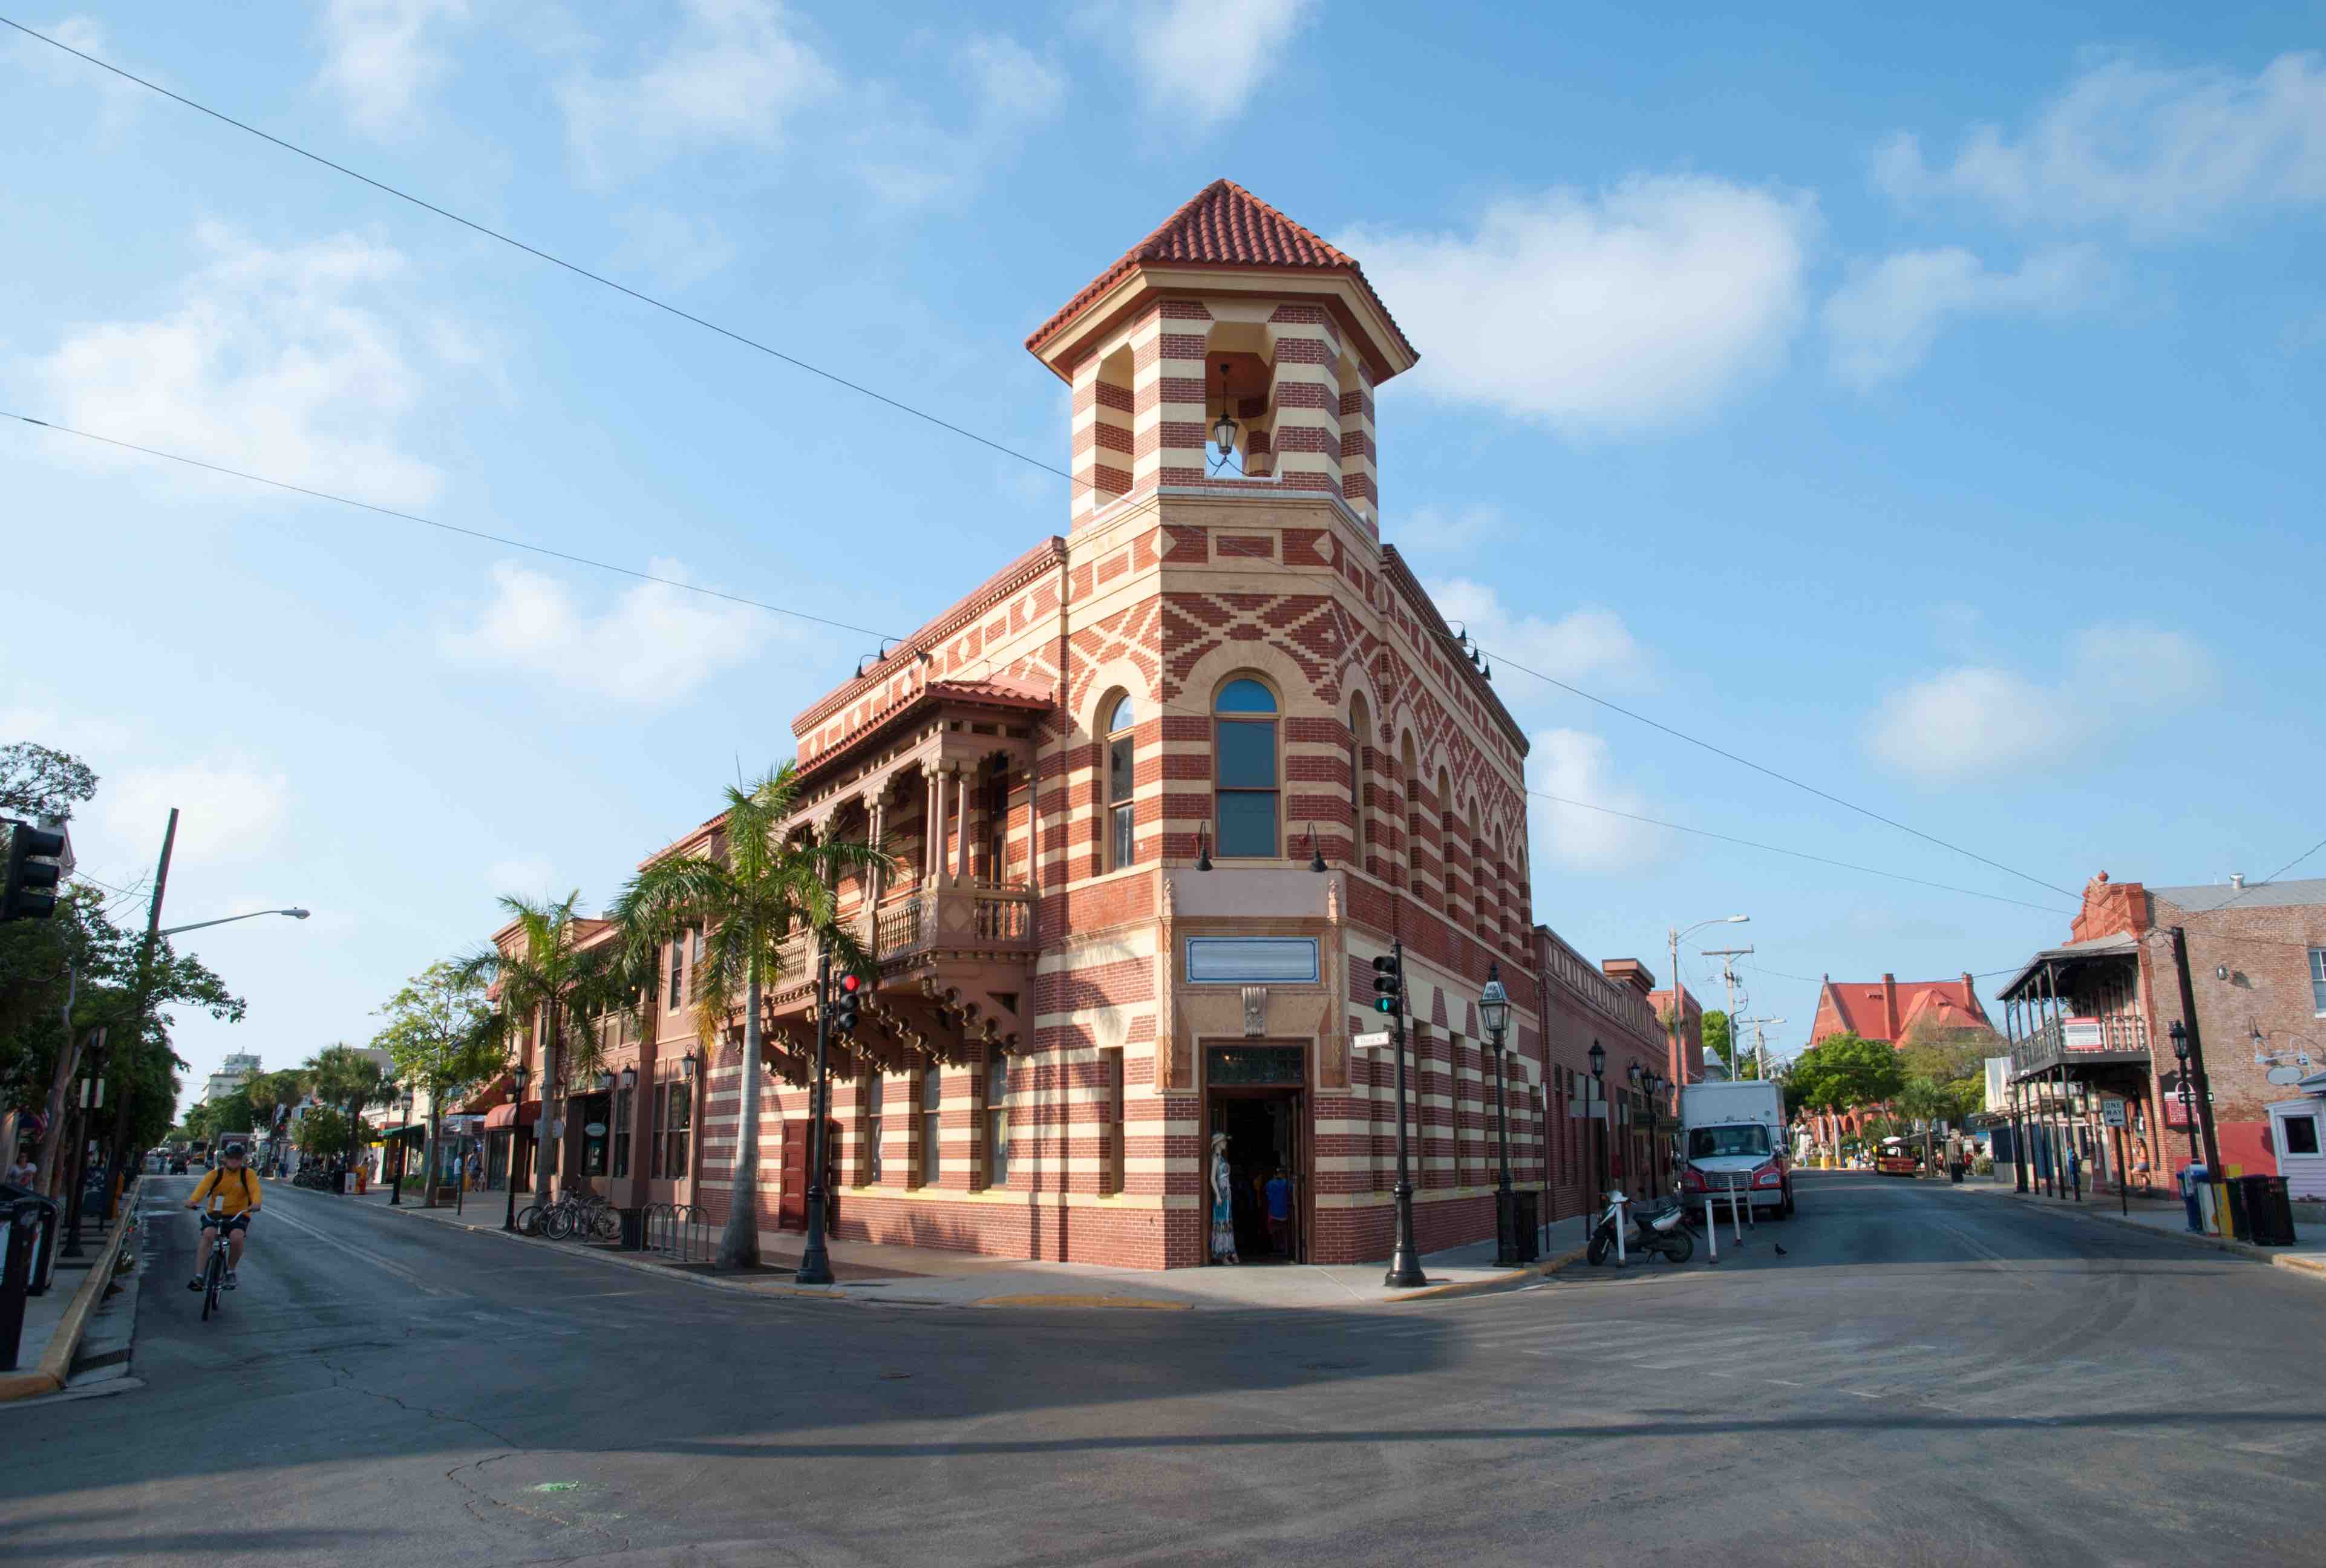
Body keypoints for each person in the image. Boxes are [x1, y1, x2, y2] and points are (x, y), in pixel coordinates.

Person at [185, 1141, 261, 1291]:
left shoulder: (248, 1175)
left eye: (238, 1159)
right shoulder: (215, 1175)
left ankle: (231, 1271)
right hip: (216, 1213)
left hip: (238, 1215)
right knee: (208, 1235)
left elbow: (255, 1191)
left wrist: (256, 1203)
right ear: (224, 1159)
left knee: (237, 1237)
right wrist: (192, 1201)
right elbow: (202, 1189)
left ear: (243, 1160)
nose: (234, 1161)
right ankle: (199, 1277)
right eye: (231, 1158)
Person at [1207, 1132, 1238, 1265]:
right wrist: (1218, 1195)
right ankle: (1222, 1254)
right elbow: (1212, 1178)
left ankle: (1231, 1251)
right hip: (1221, 1195)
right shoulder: (1216, 1158)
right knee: (1221, 1223)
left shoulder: (1222, 1158)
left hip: (1227, 1194)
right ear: (1218, 1143)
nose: (1225, 1143)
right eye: (1224, 1141)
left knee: (1227, 1222)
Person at [1263, 1167, 1293, 1258]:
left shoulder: (1270, 1183)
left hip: (1273, 1214)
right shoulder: (1287, 1183)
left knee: (1273, 1231)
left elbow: (1266, 1193)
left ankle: (1276, 1248)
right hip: (1284, 1214)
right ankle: (1284, 1248)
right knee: (1284, 1232)